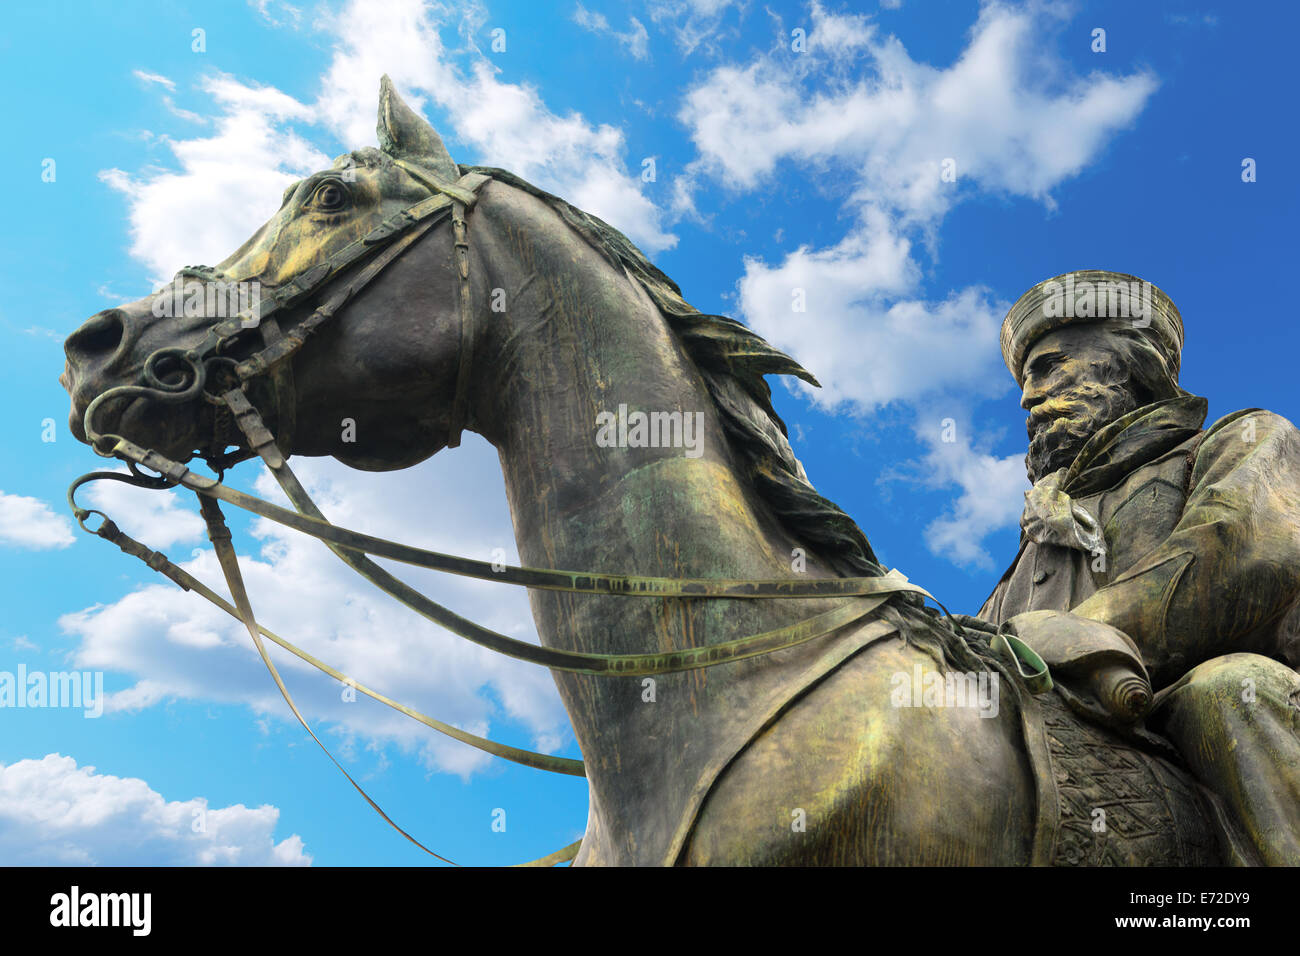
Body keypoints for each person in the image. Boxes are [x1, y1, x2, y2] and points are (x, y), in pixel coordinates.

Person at [978, 269, 1300, 865]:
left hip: (1206, 695)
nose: (1027, 397)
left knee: (1230, 694)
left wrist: (1076, 634)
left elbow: (1242, 552)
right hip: (1055, 714)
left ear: (1126, 366)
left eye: (1048, 367)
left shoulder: (1241, 439)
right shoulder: (1033, 545)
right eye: (1026, 379)